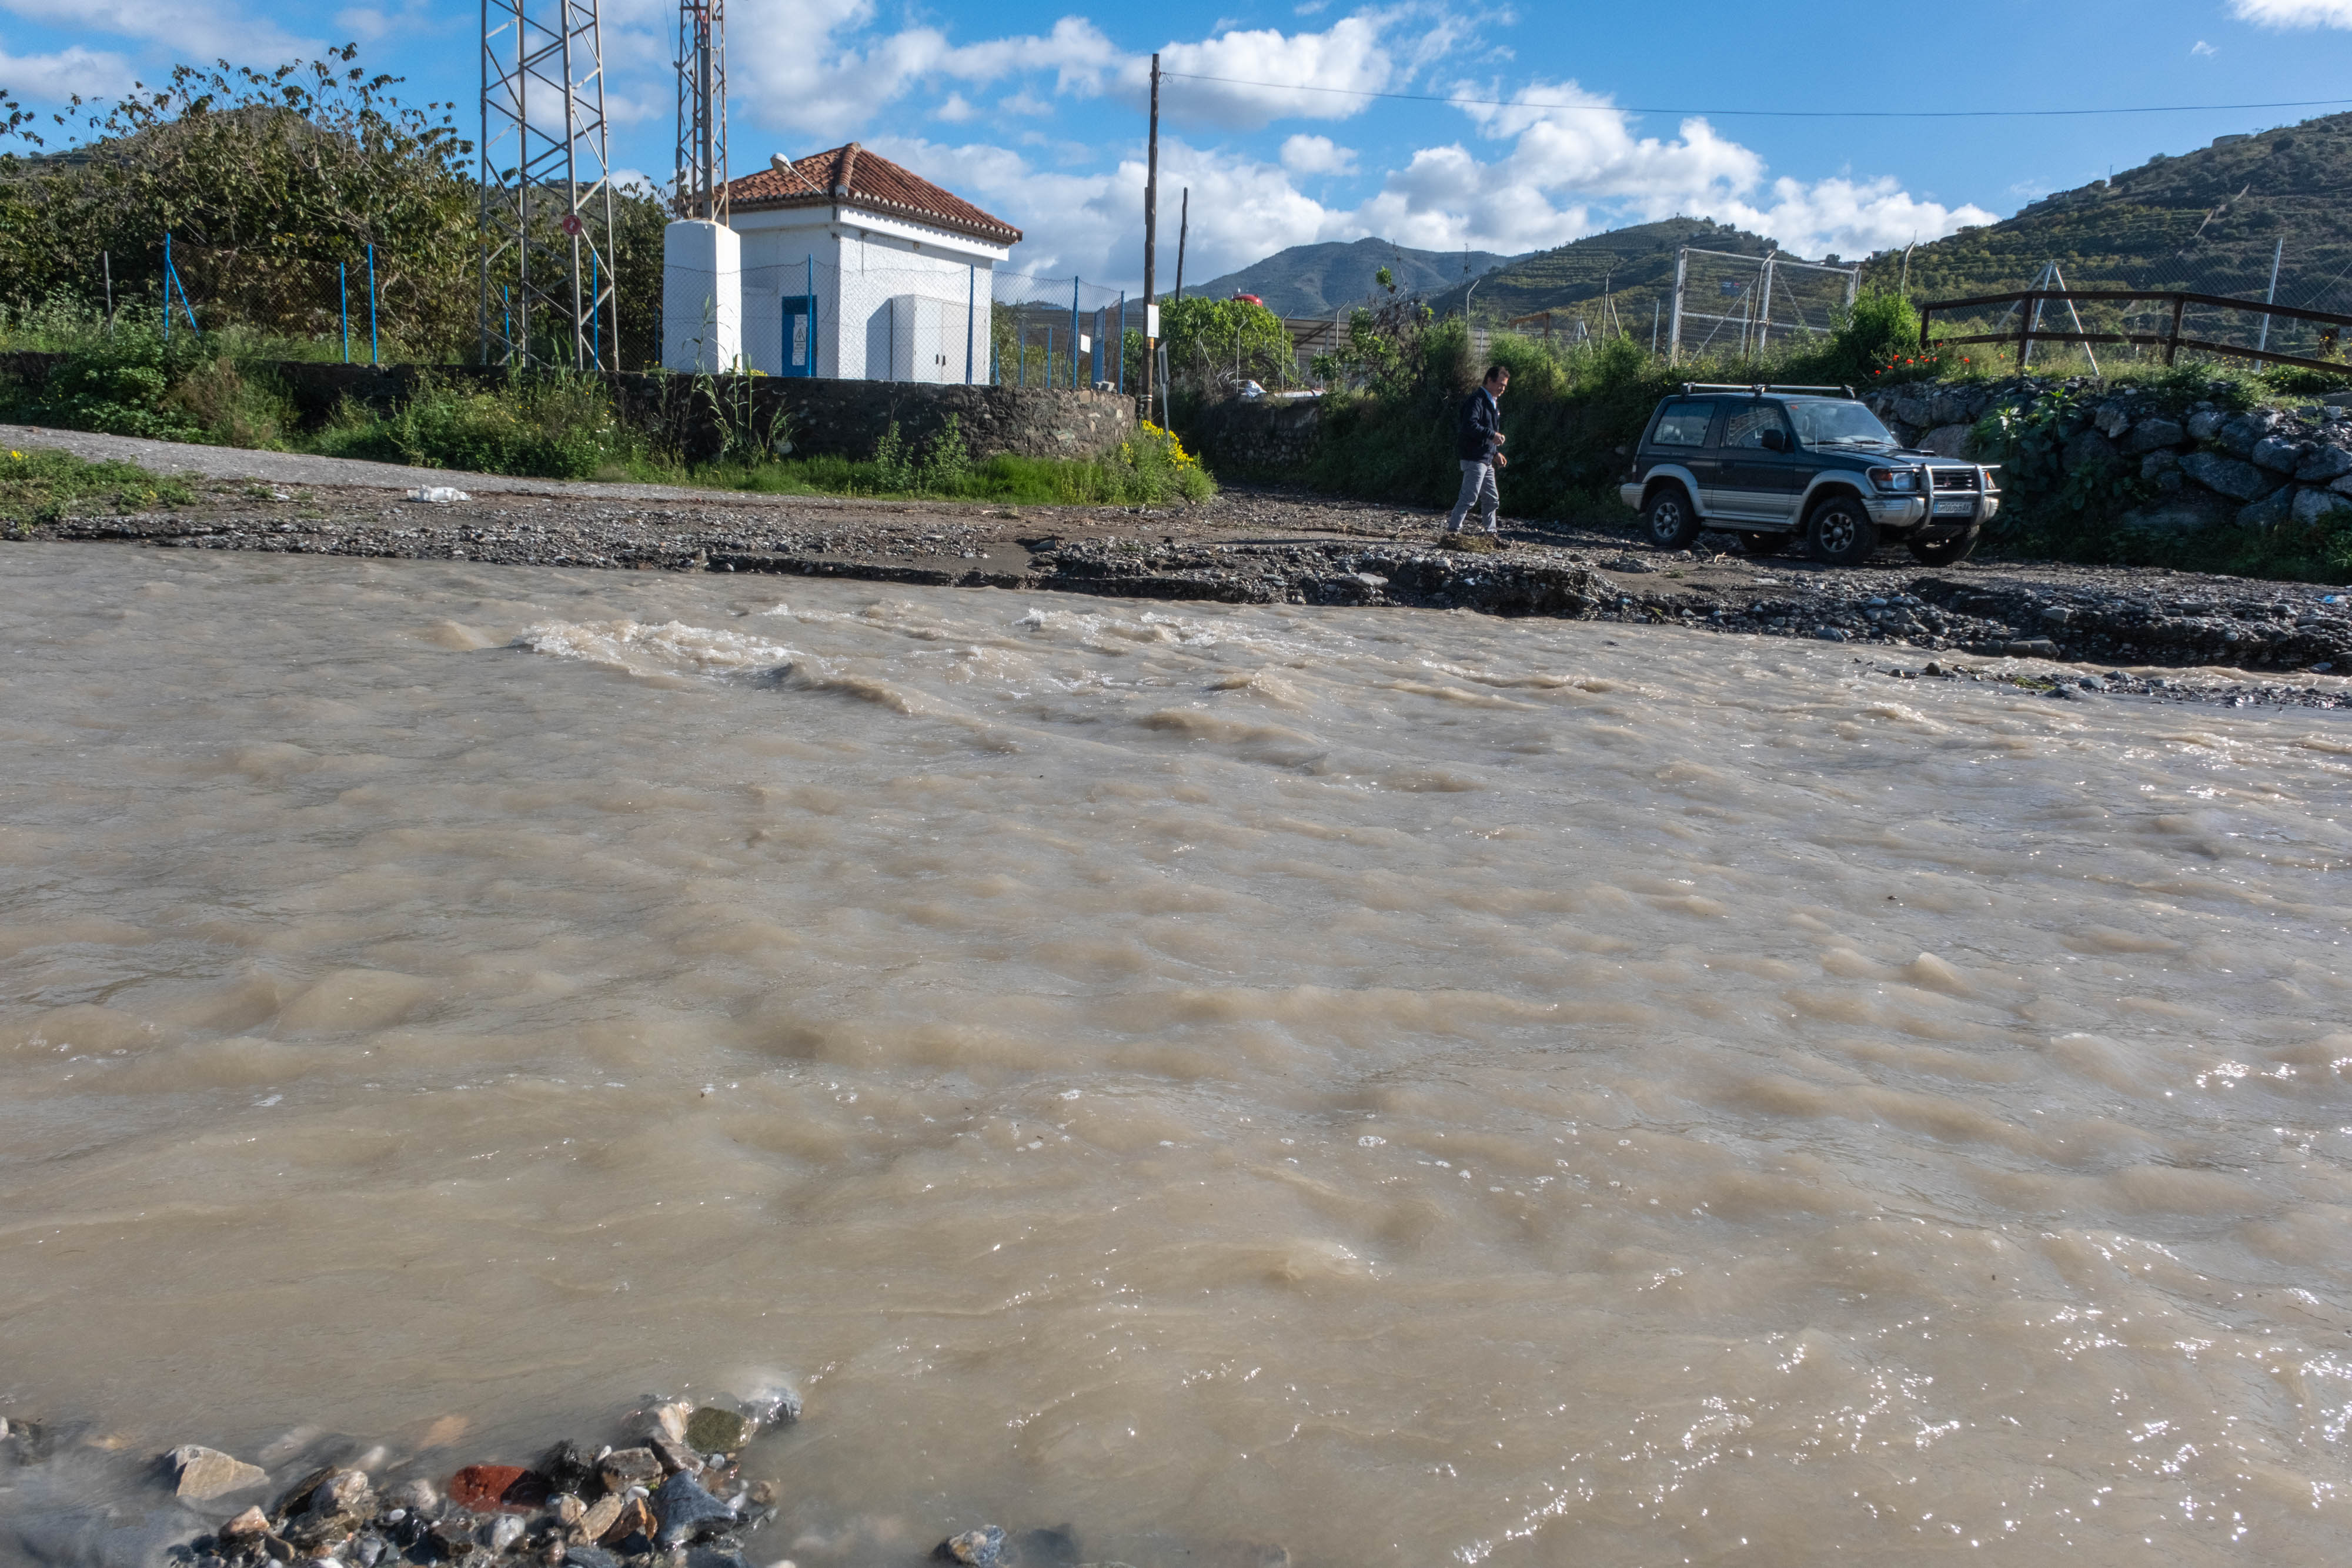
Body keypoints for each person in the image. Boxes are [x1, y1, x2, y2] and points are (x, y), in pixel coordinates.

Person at [1446, 365, 1509, 534]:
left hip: (1486, 458)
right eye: (1500, 385)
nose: (1502, 389)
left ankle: (1491, 534)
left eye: (1504, 386)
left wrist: (1495, 453)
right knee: (1469, 498)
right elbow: (1469, 426)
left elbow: (1486, 432)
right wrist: (1492, 435)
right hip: (1474, 458)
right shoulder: (1477, 400)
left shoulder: (1492, 402)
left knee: (1492, 499)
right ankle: (1453, 532)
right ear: (1490, 380)